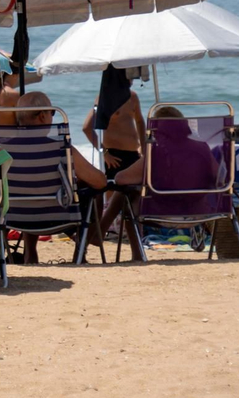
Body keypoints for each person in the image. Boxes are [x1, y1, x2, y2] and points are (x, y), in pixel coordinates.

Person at [10, 92, 107, 264]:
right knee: (91, 189)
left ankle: (30, 253)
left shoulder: (5, 149)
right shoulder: (62, 149)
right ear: (42, 116)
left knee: (30, 194)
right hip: (58, 216)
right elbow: (100, 181)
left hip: (17, 217)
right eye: (51, 113)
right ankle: (81, 248)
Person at [82, 66, 145, 179]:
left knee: (136, 193)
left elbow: (140, 121)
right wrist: (105, 153)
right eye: (128, 78)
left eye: (132, 78)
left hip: (134, 153)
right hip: (115, 157)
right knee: (113, 192)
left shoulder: (133, 96)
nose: (131, 81)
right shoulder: (104, 98)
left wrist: (143, 147)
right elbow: (87, 128)